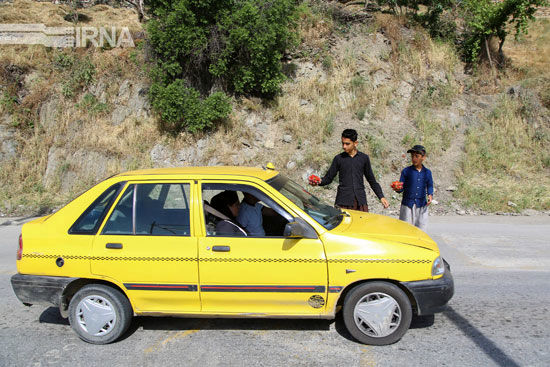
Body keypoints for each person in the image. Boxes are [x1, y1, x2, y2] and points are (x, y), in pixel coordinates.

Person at [310, 128, 389, 212]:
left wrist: (381, 196)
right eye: (343, 143)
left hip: (360, 202)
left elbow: (372, 180)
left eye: (347, 144)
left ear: (355, 143)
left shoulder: (364, 158)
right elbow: (328, 178)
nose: (344, 146)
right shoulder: (338, 159)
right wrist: (318, 181)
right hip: (343, 201)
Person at [394, 144, 434, 231]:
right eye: (412, 156)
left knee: (421, 230)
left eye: (417, 156)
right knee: (405, 230)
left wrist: (430, 195)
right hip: (407, 205)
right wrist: (397, 188)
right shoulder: (406, 171)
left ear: (423, 157)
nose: (414, 159)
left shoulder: (427, 173)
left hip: (421, 205)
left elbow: (430, 185)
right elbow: (401, 187)